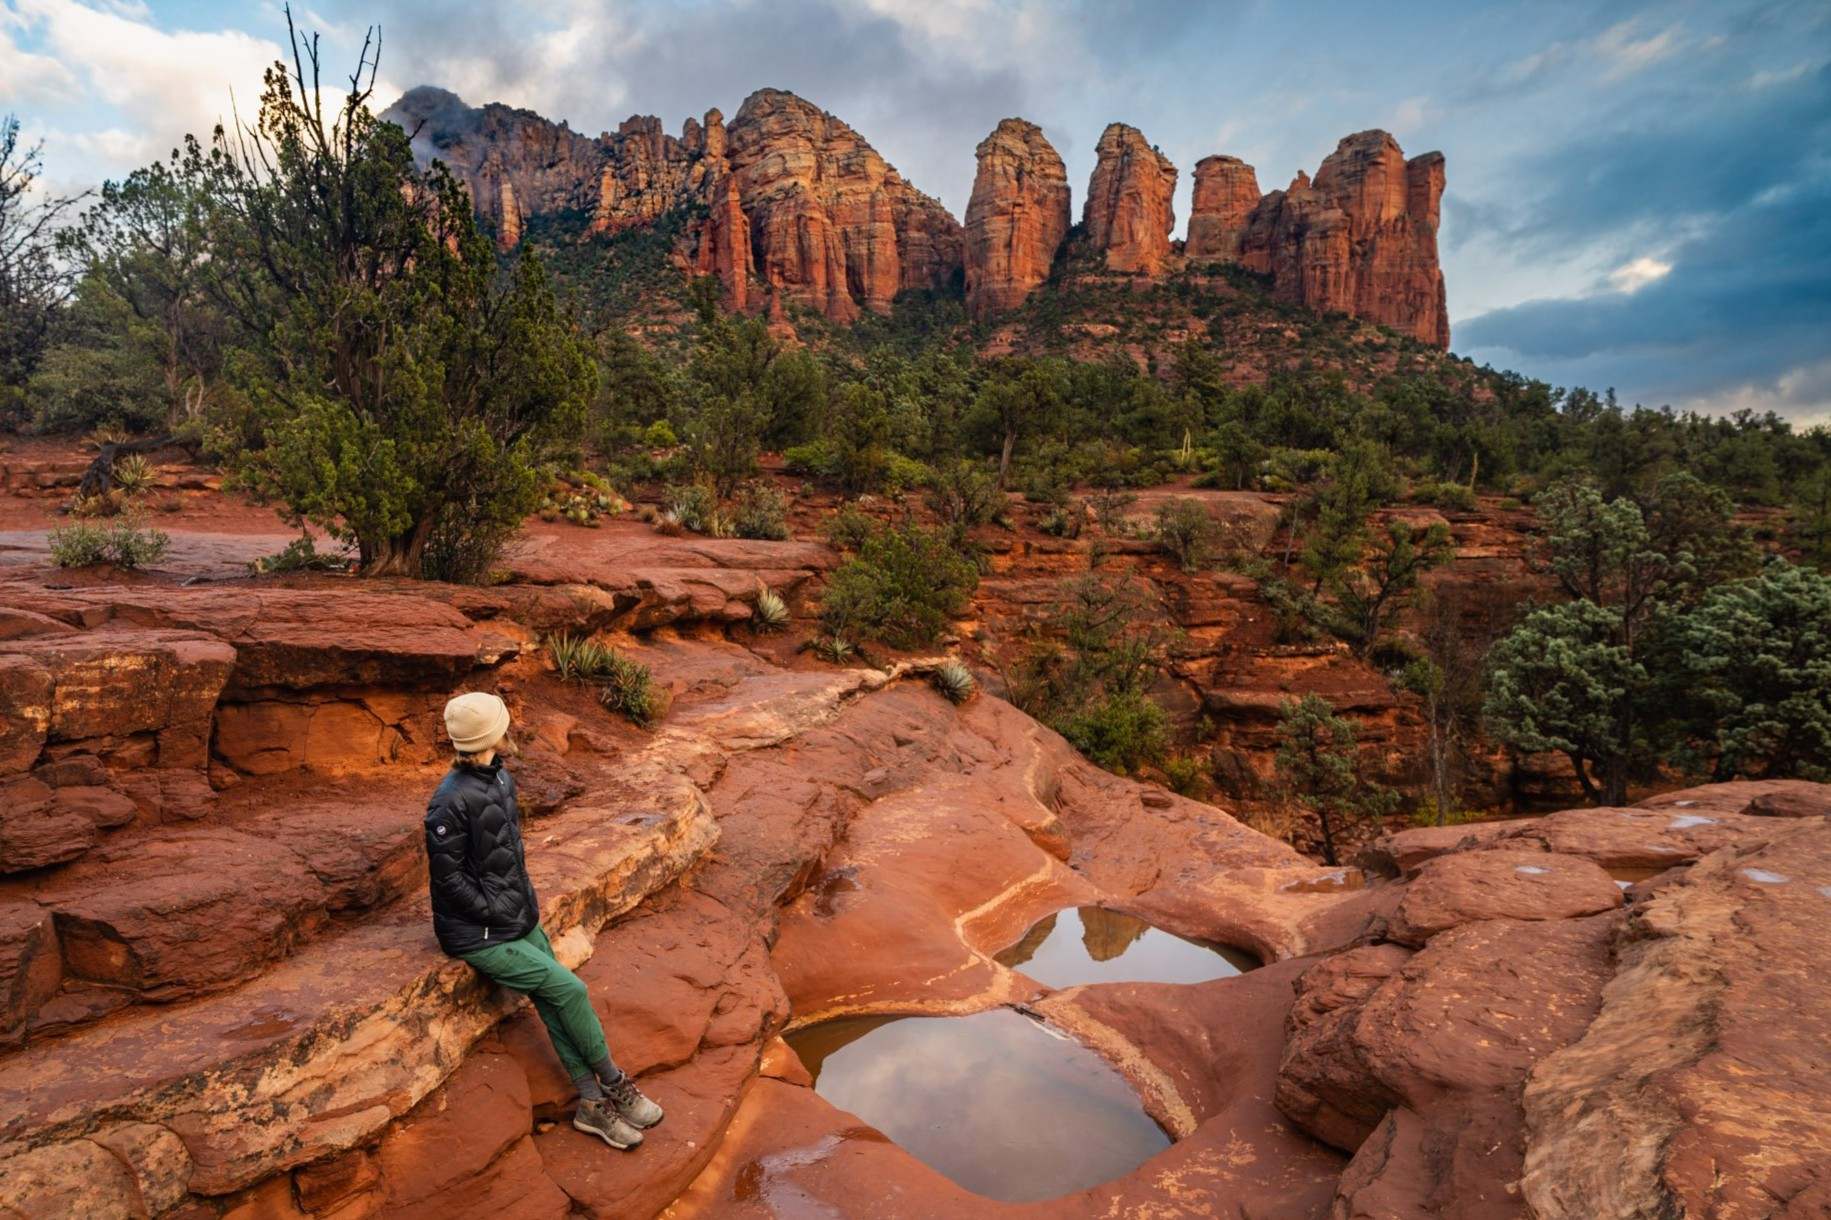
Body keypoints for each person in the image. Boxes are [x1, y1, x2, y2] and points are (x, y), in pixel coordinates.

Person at [425, 691, 664, 1150]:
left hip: (515, 918)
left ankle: (592, 1105)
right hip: (477, 934)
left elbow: (506, 857)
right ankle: (613, 1083)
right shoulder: (448, 802)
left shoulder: (498, 779)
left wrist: (520, 904)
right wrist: (496, 911)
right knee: (570, 990)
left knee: (554, 1001)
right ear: (489, 734)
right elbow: (448, 880)